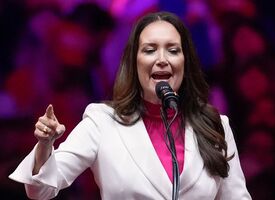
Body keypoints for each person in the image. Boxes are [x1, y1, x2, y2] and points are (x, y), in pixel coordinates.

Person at [9, 11, 251, 199]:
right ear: (133, 63)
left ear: (185, 62)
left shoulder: (215, 126)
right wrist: (45, 145)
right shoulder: (102, 122)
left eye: (173, 50)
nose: (162, 60)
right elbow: (41, 190)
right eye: (150, 50)